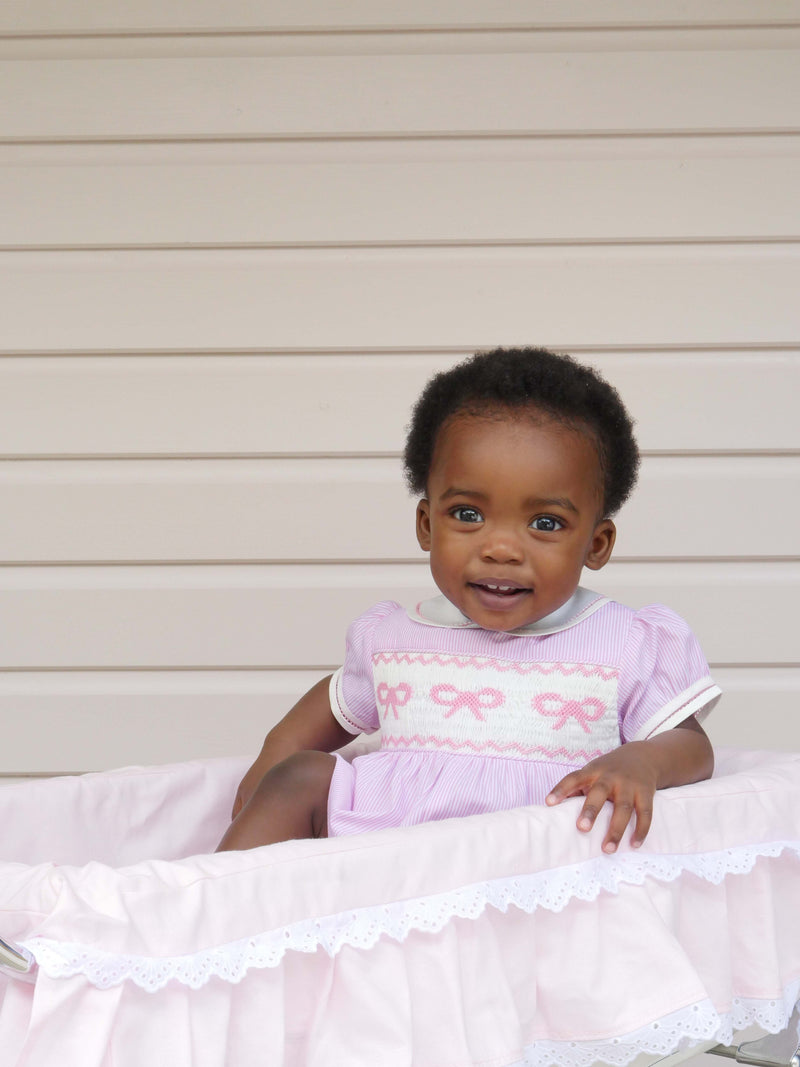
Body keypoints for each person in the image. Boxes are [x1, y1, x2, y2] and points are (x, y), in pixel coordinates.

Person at [217, 347, 717, 854]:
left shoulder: (623, 643)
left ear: (596, 544)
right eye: (467, 514)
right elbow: (330, 706)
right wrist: (273, 756)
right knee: (300, 774)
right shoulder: (393, 638)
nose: (499, 548)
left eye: (545, 523)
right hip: (387, 850)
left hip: (532, 862)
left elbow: (692, 746)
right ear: (427, 525)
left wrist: (643, 761)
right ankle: (213, 910)